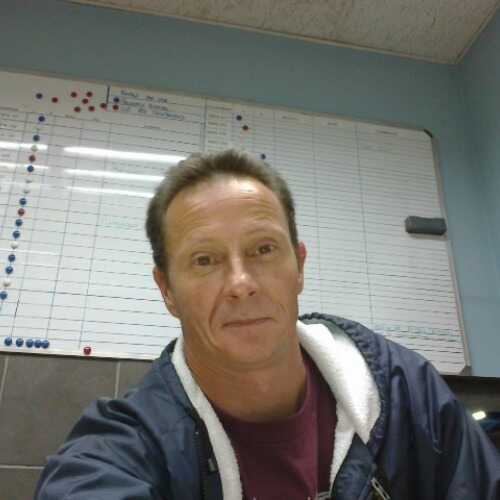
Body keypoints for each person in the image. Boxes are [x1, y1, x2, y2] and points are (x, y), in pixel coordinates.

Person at [35, 149, 500, 500]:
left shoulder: (407, 390)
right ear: (167, 290)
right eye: (204, 260)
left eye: (263, 249)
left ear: (299, 267)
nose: (241, 284)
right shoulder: (124, 447)